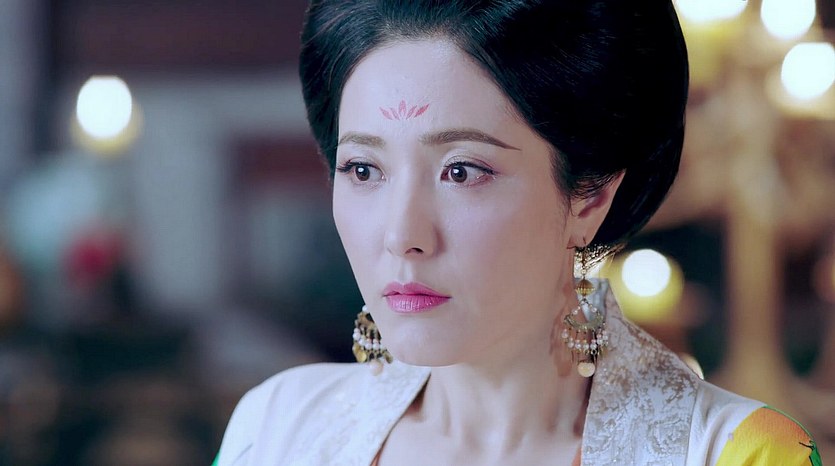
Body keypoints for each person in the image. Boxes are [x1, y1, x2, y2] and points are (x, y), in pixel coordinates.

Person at [214, 1, 821, 464]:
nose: (401, 236)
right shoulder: (276, 430)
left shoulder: (729, 452)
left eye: (461, 171)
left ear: (590, 197)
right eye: (363, 170)